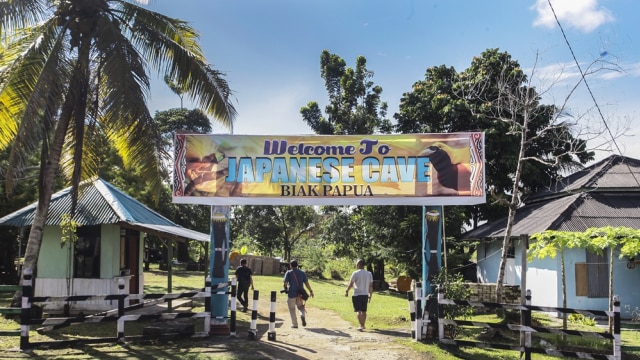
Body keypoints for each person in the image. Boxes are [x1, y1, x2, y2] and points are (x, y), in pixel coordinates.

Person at [283, 260, 314, 328]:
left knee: (292, 309)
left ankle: (295, 324)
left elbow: (285, 283)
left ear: (291, 265)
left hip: (291, 293)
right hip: (300, 294)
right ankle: (302, 316)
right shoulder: (302, 273)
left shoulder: (288, 272)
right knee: (300, 307)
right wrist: (311, 291)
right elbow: (306, 283)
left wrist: (285, 288)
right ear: (297, 265)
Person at [345, 259, 373, 331]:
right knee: (364, 311)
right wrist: (370, 295)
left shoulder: (355, 273)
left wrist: (347, 291)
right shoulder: (369, 274)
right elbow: (371, 286)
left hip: (357, 294)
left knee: (358, 311)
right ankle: (363, 325)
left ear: (358, 265)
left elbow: (351, 284)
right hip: (365, 294)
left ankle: (361, 325)